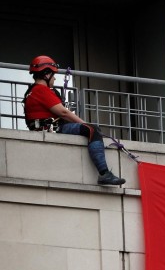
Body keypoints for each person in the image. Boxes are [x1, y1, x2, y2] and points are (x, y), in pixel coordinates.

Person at [22, 55, 125, 186]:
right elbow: (63, 112)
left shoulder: (31, 92)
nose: (54, 78)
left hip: (46, 128)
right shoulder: (41, 90)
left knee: (89, 128)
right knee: (92, 129)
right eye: (53, 75)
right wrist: (83, 123)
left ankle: (105, 174)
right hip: (54, 129)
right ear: (46, 74)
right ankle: (104, 173)